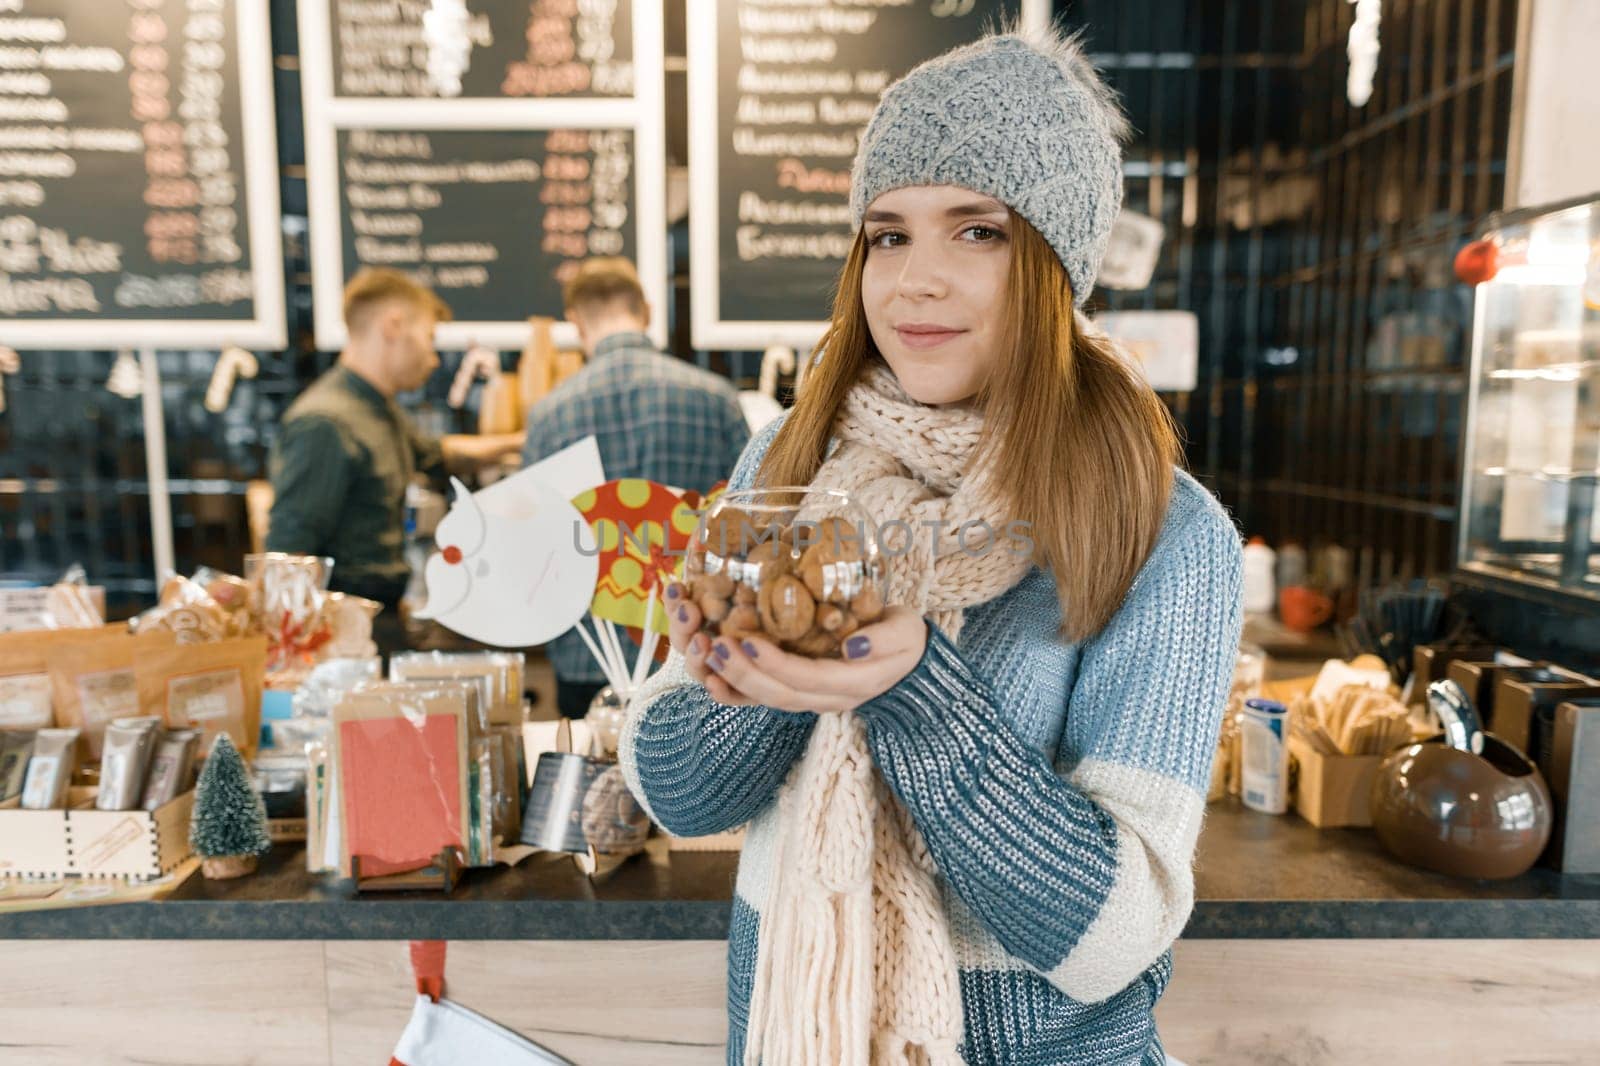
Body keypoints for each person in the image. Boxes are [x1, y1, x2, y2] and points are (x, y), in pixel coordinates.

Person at [619, 27, 1242, 1066]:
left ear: (1054, 261)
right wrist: (760, 678)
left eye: (977, 232)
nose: (915, 280)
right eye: (887, 234)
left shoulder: (1160, 530)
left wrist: (909, 682)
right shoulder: (791, 454)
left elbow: (1114, 936)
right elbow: (681, 795)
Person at [522, 257, 750, 717]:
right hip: (695, 644)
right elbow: (751, 519)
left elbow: (538, 541)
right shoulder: (714, 397)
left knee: (593, 784)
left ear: (575, 322)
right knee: (689, 785)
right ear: (646, 310)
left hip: (588, 655)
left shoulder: (549, 415)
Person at [267, 268, 524, 649]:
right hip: (343, 636)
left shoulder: (377, 409)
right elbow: (289, 554)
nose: (434, 359)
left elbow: (439, 455)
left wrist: (519, 441)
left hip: (381, 619)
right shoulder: (327, 423)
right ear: (393, 326)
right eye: (429, 339)